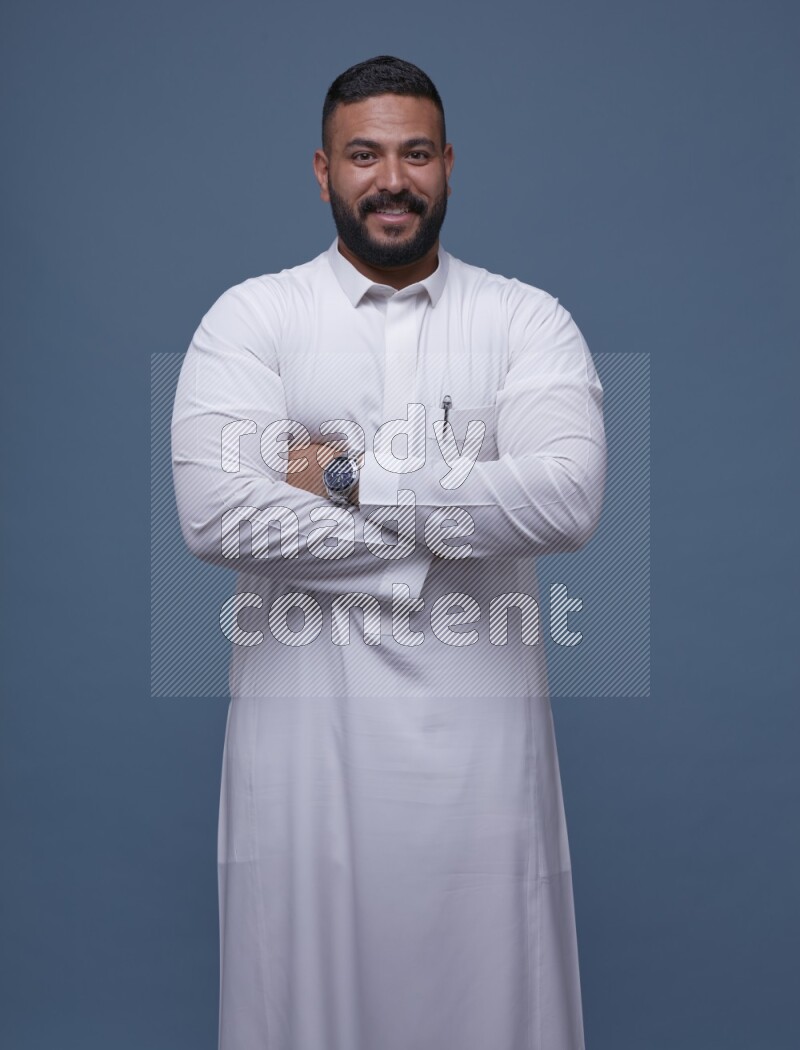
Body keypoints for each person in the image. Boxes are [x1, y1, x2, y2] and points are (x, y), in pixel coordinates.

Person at [172, 55, 606, 1050]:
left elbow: (565, 497)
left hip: (480, 757)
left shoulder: (523, 320)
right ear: (322, 173)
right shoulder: (253, 319)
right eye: (363, 155)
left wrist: (348, 475)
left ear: (449, 164)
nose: (391, 179)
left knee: (493, 998)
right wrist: (433, 546)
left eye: (414, 153)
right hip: (303, 757)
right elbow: (215, 513)